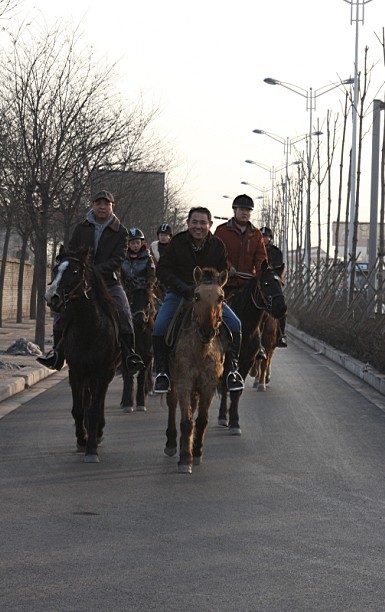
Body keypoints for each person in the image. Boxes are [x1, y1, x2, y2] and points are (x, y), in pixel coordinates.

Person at [38, 190, 144, 373]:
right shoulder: (81, 228)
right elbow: (72, 250)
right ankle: (57, 354)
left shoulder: (121, 231)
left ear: (112, 207)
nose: (102, 207)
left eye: (106, 204)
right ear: (93, 205)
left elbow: (118, 259)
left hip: (108, 282)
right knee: (60, 311)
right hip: (79, 283)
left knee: (124, 312)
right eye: (98, 203)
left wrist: (93, 271)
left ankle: (129, 355)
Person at [152, 206, 244, 394]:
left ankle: (231, 370)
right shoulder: (177, 242)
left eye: (203, 223)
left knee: (235, 324)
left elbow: (221, 274)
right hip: (179, 294)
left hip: (208, 299)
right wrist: (183, 287)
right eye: (195, 222)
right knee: (160, 325)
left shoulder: (217, 246)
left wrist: (211, 291)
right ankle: (161, 373)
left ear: (210, 225)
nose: (198, 226)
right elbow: (162, 270)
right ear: (188, 223)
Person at [214, 194, 268, 359]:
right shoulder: (222, 231)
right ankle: (213, 339)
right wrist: (228, 268)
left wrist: (261, 275)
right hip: (226, 283)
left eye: (248, 210)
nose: (245, 213)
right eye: (242, 209)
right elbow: (216, 253)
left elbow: (261, 258)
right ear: (235, 210)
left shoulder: (256, 234)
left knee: (263, 310)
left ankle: (257, 345)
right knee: (214, 308)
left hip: (247, 284)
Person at [260, 226, 287, 348]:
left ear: (270, 239)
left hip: (272, 279)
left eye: (266, 237)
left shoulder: (276, 252)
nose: (264, 239)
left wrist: (271, 270)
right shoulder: (255, 249)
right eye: (262, 237)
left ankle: (281, 334)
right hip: (259, 278)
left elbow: (279, 267)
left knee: (280, 303)